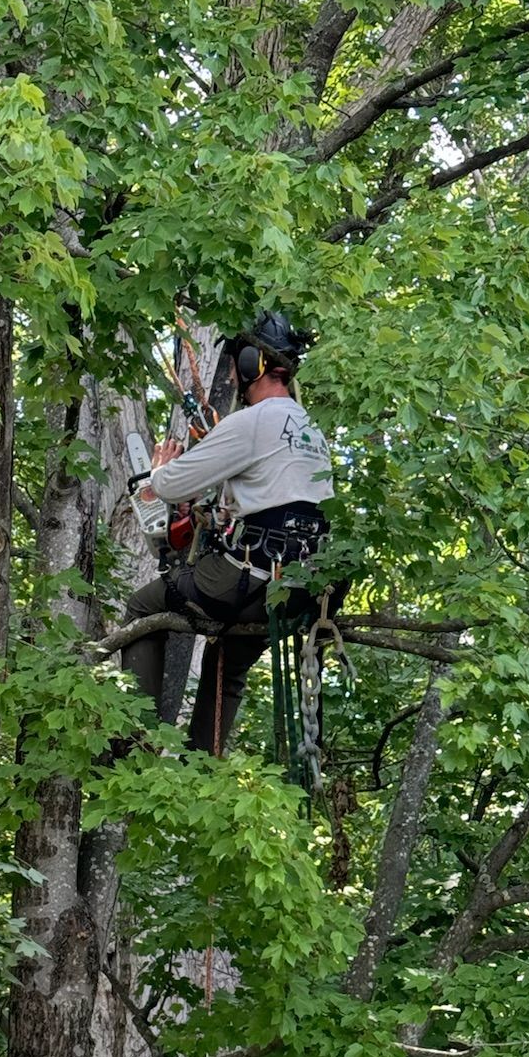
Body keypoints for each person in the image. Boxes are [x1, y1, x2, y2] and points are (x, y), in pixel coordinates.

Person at [121, 310, 339, 755]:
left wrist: (161, 469)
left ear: (249, 364)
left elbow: (169, 484)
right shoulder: (311, 431)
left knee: (142, 608)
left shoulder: (252, 422)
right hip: (299, 584)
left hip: (248, 574)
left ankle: (131, 745)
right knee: (228, 661)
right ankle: (201, 768)